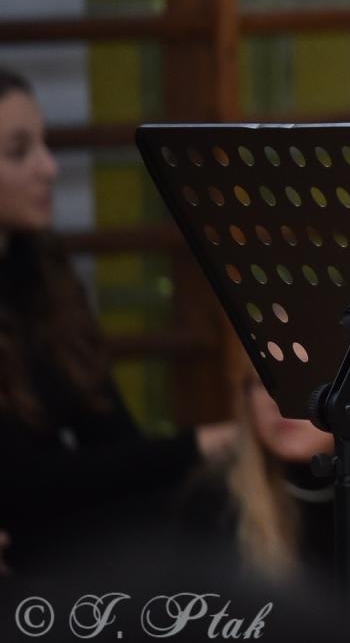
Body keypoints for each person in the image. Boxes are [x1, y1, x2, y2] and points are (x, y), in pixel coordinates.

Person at [0, 65, 234, 580]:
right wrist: (197, 445)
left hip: (56, 522)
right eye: (19, 152)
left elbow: (110, 437)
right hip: (25, 536)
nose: (49, 169)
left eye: (44, 145)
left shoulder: (41, 273)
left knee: (223, 502)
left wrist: (210, 455)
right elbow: (23, 485)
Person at [175, 347, 350, 642]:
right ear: (245, 399)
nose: (282, 403)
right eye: (265, 384)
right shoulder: (216, 498)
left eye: (308, 383)